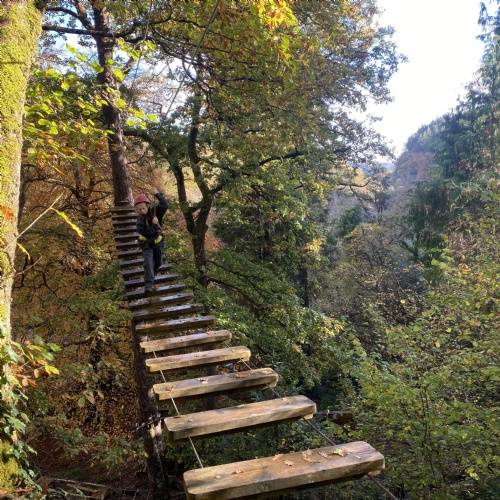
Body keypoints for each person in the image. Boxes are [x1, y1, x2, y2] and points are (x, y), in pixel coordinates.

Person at [133, 187, 169, 293]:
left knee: (158, 262)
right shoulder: (139, 221)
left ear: (147, 205)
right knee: (148, 262)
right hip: (146, 244)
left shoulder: (155, 211)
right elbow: (147, 233)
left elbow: (165, 205)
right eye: (139, 210)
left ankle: (151, 274)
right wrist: (153, 224)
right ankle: (148, 285)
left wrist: (157, 194)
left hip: (158, 242)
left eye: (143, 208)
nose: (142, 211)